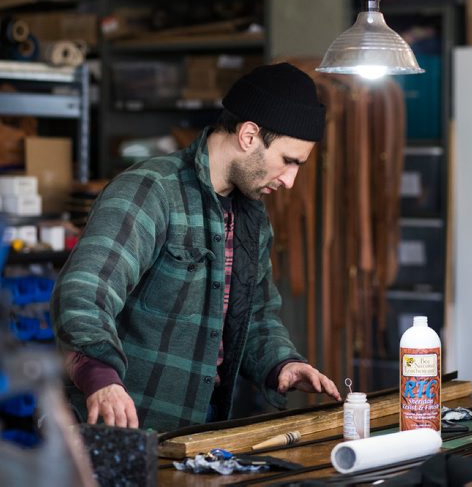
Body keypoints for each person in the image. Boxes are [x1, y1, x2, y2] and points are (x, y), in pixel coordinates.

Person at [50, 62, 341, 432]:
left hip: (197, 432)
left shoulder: (252, 217)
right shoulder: (150, 190)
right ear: (249, 136)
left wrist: (282, 363)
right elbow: (84, 292)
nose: (290, 181)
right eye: (288, 161)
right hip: (119, 425)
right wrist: (100, 377)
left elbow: (254, 317)